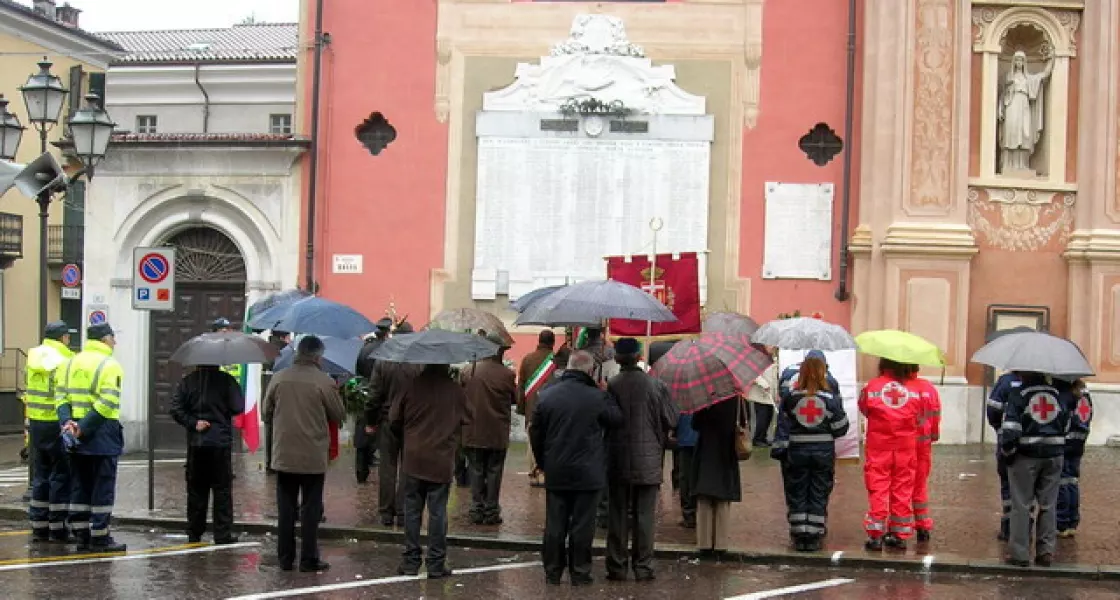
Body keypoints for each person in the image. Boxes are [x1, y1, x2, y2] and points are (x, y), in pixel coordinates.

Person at [531, 351, 622, 586]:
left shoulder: (548, 395)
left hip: (557, 468)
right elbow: (616, 419)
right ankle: (580, 571)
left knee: (555, 522)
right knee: (582, 525)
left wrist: (543, 462)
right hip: (588, 472)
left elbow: (536, 433)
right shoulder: (597, 397)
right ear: (590, 371)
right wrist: (606, 393)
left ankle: (552, 571)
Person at [262, 335, 346, 572]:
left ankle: (285, 558)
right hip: (312, 455)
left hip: (284, 455)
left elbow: (266, 413)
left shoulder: (279, 378)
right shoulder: (324, 382)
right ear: (318, 357)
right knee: (310, 510)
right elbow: (338, 415)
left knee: (285, 509)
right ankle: (308, 559)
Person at [604, 338, 677, 581]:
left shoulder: (612, 385)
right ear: (638, 357)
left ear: (617, 358)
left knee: (618, 514)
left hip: (618, 460)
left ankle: (616, 566)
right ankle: (643, 567)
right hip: (649, 462)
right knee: (645, 516)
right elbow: (671, 419)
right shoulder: (657, 386)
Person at [391, 363, 468, 578]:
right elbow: (467, 418)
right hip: (441, 459)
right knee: (438, 512)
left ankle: (410, 561)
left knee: (412, 510)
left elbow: (394, 419)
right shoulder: (455, 390)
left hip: (414, 457)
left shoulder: (410, 386)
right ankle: (435, 563)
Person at [58, 323, 126, 552]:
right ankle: (100, 537)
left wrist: (68, 423)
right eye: (113, 338)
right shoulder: (110, 365)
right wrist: (84, 427)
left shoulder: (70, 362)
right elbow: (108, 402)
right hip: (101, 432)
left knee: (80, 484)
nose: (115, 343)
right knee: (102, 485)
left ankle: (81, 535)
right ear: (106, 339)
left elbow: (60, 396)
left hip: (74, 431)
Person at [771, 351, 848, 552]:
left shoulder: (791, 398)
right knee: (818, 491)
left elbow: (784, 423)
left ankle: (799, 534)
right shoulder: (830, 398)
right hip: (823, 453)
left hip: (797, 452)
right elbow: (841, 427)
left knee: (798, 491)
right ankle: (813, 536)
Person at [999, 372, 1071, 567]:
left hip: (1026, 456)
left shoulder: (1019, 394)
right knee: (1049, 505)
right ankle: (1046, 552)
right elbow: (1067, 423)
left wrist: (1008, 452)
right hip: (1054, 455)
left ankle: (1019, 554)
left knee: (1021, 505)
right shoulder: (1058, 395)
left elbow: (1011, 429)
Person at [169, 363, 245, 543]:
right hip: (220, 442)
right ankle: (222, 533)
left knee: (196, 490)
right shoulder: (227, 380)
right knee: (222, 489)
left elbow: (176, 409)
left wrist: (194, 422)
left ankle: (195, 532)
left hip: (197, 443)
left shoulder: (188, 382)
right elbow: (238, 407)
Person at [859, 358, 923, 551]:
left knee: (878, 487)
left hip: (879, 445)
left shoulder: (872, 386)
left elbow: (865, 409)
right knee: (902, 488)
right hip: (905, 446)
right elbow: (920, 416)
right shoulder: (914, 390)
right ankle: (899, 534)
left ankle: (876, 535)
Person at [365, 321, 420, 527]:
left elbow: (373, 395)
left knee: (387, 467)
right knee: (408, 467)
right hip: (412, 421)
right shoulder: (418, 362)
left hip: (388, 419)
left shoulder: (383, 361)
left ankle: (386, 512)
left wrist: (370, 421)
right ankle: (403, 510)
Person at [461, 332, 518, 525]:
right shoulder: (507, 375)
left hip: (473, 430)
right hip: (496, 432)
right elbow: (515, 399)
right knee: (494, 472)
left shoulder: (469, 371)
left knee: (476, 470)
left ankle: (477, 509)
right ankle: (491, 510)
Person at [26, 321, 74, 542]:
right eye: (67, 337)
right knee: (61, 475)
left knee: (40, 474)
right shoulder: (63, 360)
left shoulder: (33, 356)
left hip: (36, 423)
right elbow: (65, 394)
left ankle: (39, 525)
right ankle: (58, 527)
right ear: (62, 338)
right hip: (56, 424)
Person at [690, 394, 746, 554]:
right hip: (727, 451)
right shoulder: (738, 399)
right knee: (723, 498)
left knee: (704, 497)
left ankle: (704, 542)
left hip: (706, 450)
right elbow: (743, 422)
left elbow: (695, 424)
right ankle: (721, 543)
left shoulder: (704, 398)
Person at [353, 318, 392, 483]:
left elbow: (358, 370)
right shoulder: (389, 350)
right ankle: (385, 472)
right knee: (383, 436)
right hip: (383, 395)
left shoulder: (364, 349)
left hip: (365, 392)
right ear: (387, 332)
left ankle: (361, 471)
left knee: (363, 433)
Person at [518, 330, 556, 487]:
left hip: (532, 408)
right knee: (550, 441)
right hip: (552, 408)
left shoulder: (527, 359)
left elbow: (521, 386)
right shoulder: (556, 361)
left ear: (538, 341)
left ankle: (534, 473)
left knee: (532, 442)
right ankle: (546, 473)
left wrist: (522, 408)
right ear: (553, 343)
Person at [908, 365, 941, 542]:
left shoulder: (900, 387)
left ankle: (899, 527)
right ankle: (922, 525)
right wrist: (933, 436)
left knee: (900, 487)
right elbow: (936, 415)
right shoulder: (929, 387)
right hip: (924, 445)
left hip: (905, 444)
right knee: (920, 486)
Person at [987, 371, 1019, 540]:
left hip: (1007, 441)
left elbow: (993, 410)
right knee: (1028, 490)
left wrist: (1000, 429)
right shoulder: (1044, 381)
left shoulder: (1006, 381)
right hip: (1032, 447)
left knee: (1007, 483)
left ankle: (1008, 528)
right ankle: (1024, 528)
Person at [1057, 379, 1091, 537]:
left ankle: (1062, 522)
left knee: (1062, 482)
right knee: (1072, 481)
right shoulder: (1085, 394)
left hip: (1065, 442)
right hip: (1079, 442)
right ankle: (1072, 521)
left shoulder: (1065, 394)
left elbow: (1061, 417)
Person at [747, 358, 778, 447]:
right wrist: (763, 384)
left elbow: (774, 378)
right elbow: (754, 374)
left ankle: (763, 437)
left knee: (769, 416)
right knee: (762, 417)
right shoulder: (758, 358)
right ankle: (757, 438)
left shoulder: (774, 360)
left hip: (769, 394)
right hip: (760, 394)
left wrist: (776, 393)